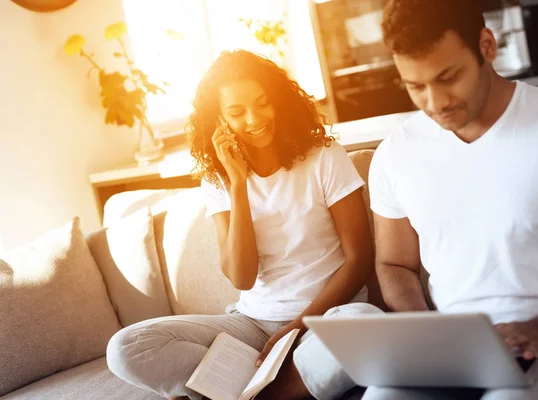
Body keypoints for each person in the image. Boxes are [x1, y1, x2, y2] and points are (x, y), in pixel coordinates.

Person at [281, 0, 538, 399]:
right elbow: (395, 263)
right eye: (416, 86)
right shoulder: (397, 154)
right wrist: (425, 335)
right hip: (457, 352)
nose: (436, 102)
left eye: (448, 77)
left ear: (486, 45)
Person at [105, 49, 376, 400]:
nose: (255, 118)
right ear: (218, 120)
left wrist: (295, 328)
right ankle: (274, 383)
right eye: (237, 112)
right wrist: (237, 184)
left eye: (263, 103)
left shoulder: (324, 157)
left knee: (363, 325)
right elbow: (242, 277)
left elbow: (359, 260)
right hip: (251, 325)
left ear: (278, 100)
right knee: (127, 346)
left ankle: (249, 391)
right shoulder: (218, 183)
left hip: (324, 319)